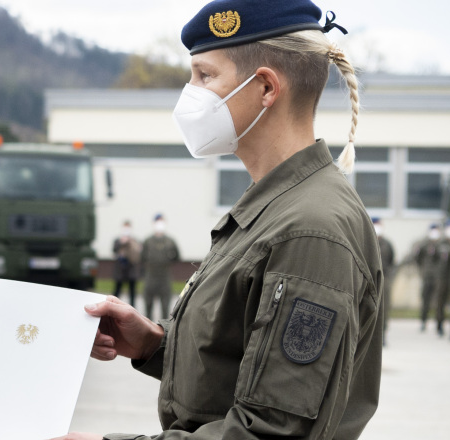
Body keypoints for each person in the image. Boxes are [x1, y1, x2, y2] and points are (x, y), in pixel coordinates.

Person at [56, 2, 382, 438]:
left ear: (266, 88)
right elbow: (242, 357)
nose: (191, 93)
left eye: (205, 76)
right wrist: (155, 343)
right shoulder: (277, 204)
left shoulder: (310, 229)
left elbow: (270, 431)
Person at [140, 214, 180, 321]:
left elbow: (177, 256)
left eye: (161, 221)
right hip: (151, 276)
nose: (159, 224)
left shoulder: (170, 241)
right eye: (157, 222)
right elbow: (142, 257)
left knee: (165, 306)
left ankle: (164, 333)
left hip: (165, 277)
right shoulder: (148, 241)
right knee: (148, 306)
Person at [434, 219, 450, 337]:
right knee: (440, 301)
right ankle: (439, 323)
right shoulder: (441, 244)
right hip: (442, 277)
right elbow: (433, 259)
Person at [414, 223, 442, 332]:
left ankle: (439, 323)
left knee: (438, 301)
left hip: (438, 276)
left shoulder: (441, 245)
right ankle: (423, 321)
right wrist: (422, 269)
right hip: (426, 276)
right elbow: (418, 258)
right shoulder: (424, 245)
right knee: (425, 299)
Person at [373, 217, 395, 342]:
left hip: (384, 278)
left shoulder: (387, 244)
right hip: (369, 279)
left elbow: (392, 259)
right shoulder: (365, 241)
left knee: (384, 307)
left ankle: (383, 334)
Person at [112, 220, 141, 304]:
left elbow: (136, 253)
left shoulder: (134, 240)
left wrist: (129, 242)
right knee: (117, 291)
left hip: (131, 270)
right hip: (120, 270)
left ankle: (132, 308)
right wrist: (121, 243)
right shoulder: (117, 240)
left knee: (132, 292)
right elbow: (114, 250)